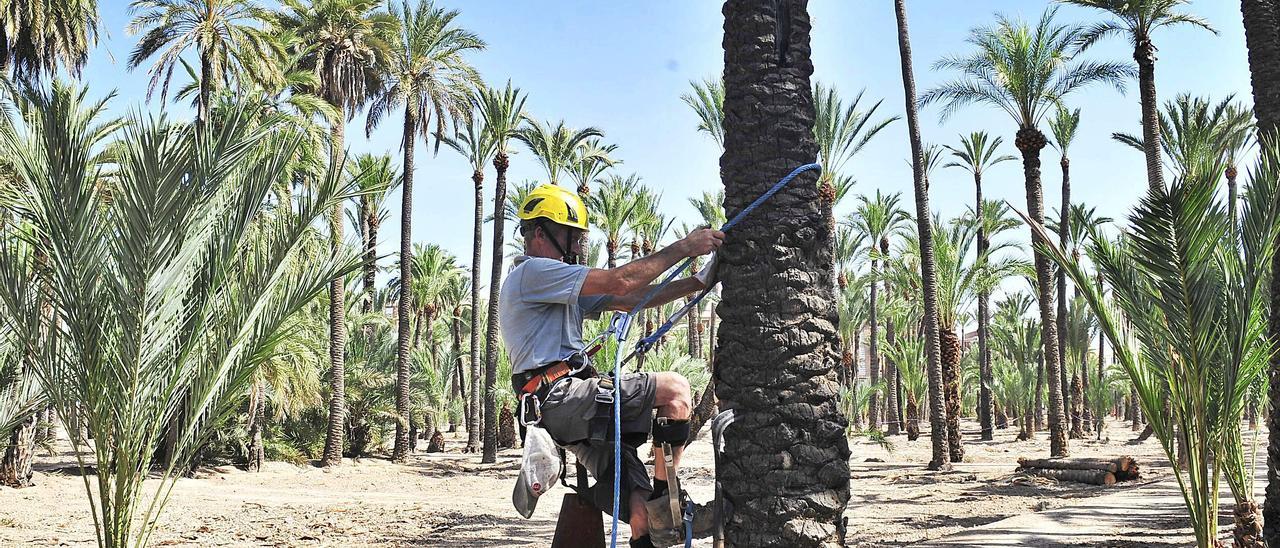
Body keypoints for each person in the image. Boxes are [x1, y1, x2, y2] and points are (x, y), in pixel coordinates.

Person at [502, 184, 721, 548]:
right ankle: (669, 509)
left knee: (637, 507)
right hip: (563, 397)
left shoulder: (552, 287)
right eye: (569, 237)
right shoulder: (533, 273)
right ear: (540, 234)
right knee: (678, 391)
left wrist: (697, 283)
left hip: (563, 410)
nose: (575, 248)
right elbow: (621, 280)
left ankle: (655, 519)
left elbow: (628, 297)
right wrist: (686, 247)